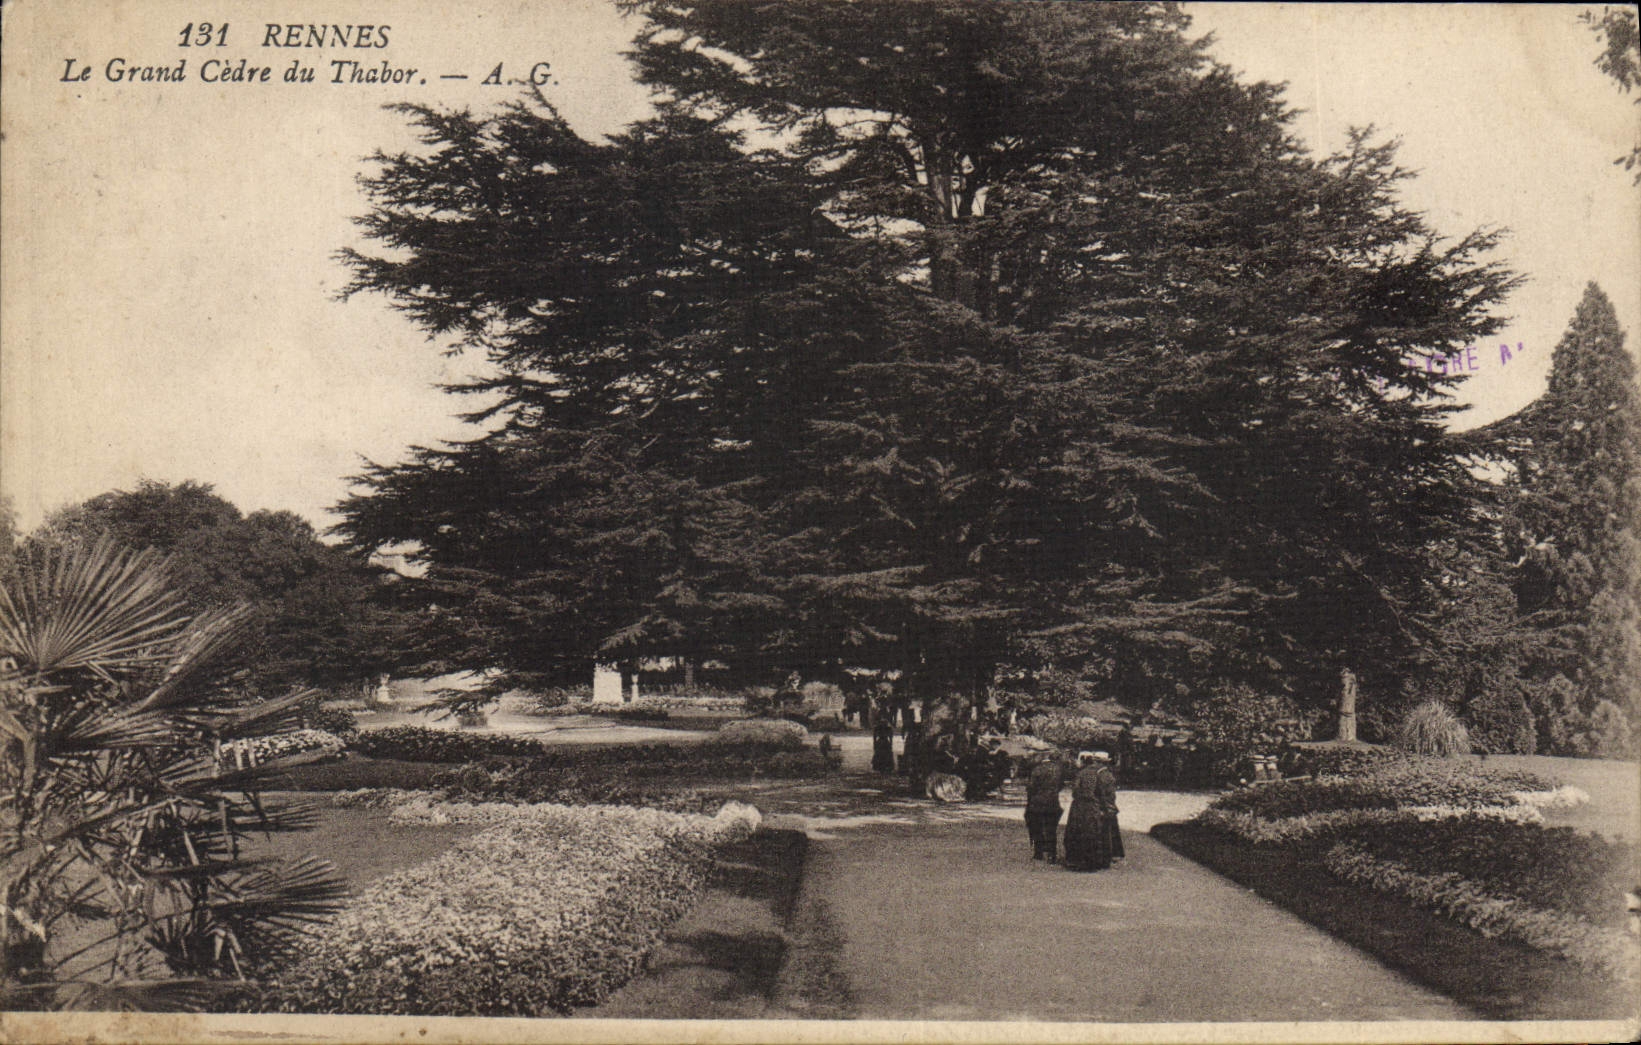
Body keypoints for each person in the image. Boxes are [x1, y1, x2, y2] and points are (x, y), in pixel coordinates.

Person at [1062, 750, 1122, 871]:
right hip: (1095, 806)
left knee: (1078, 832)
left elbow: (1075, 791)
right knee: (1098, 833)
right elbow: (1106, 794)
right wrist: (1107, 808)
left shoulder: (1083, 772)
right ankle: (1099, 861)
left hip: (1079, 806)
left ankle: (1076, 859)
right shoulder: (1104, 774)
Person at [1023, 750, 1066, 862]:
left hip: (1037, 802)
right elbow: (1061, 785)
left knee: (1037, 827)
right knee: (1051, 829)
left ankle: (1038, 853)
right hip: (1053, 801)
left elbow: (1031, 786)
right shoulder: (1057, 769)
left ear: (1041, 757)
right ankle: (1052, 854)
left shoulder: (1037, 769)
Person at [871, 708, 896, 773]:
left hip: (880, 742)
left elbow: (874, 737)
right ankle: (886, 766)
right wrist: (891, 744)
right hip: (885, 742)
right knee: (886, 754)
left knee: (880, 753)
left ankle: (881, 766)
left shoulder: (877, 727)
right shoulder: (888, 727)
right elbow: (891, 737)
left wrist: (874, 744)